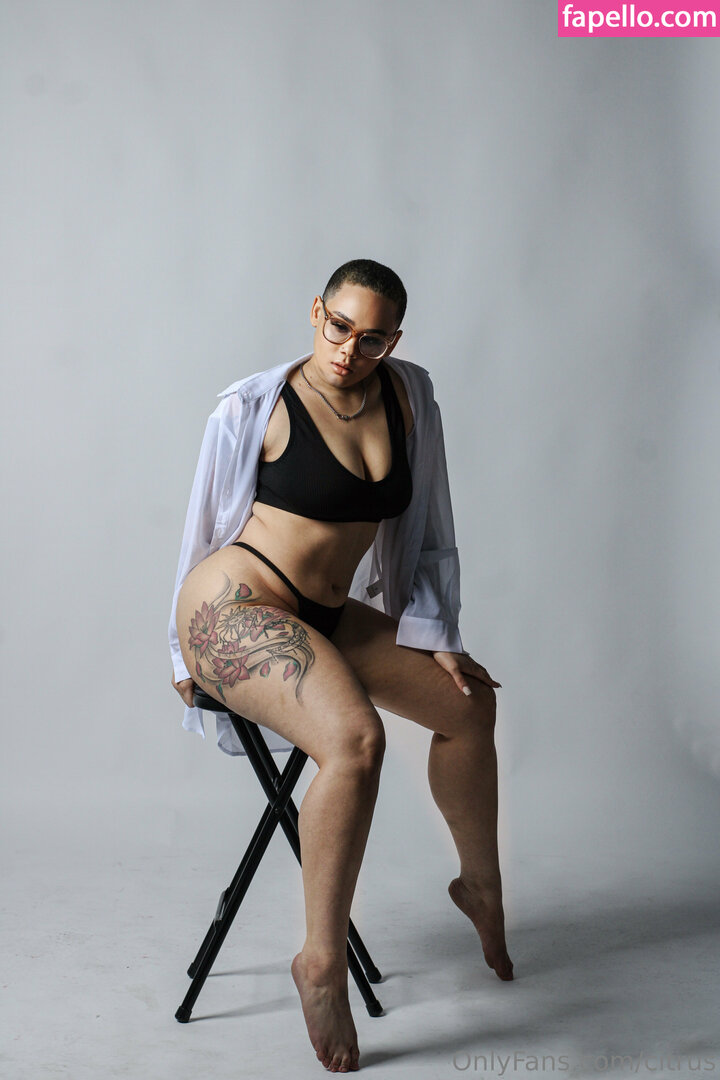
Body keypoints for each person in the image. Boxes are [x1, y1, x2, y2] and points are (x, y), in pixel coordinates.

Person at [168, 258, 513, 1073]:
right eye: (339, 327)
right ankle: (320, 963)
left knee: (469, 706)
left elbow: (430, 530)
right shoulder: (254, 405)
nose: (350, 351)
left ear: (395, 340)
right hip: (235, 606)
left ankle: (481, 886)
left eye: (373, 338)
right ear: (317, 311)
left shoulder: (410, 397)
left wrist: (438, 631)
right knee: (357, 743)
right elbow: (200, 527)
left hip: (325, 614)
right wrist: (179, 653)